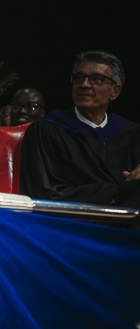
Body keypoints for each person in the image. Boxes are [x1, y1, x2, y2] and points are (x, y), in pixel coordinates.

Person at [21, 51, 140, 217]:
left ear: (115, 91)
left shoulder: (132, 134)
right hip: (74, 224)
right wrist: (117, 192)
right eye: (78, 78)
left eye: (96, 79)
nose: (84, 84)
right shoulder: (46, 130)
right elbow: (44, 193)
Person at [0, 88, 45, 184]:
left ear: (42, 113)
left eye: (31, 107)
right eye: (16, 106)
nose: (22, 111)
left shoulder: (50, 142)